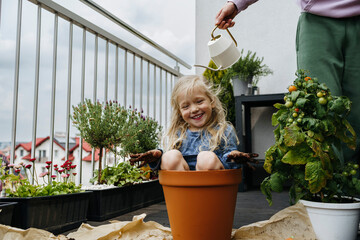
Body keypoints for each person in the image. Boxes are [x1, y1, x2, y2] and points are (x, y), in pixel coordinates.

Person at [215, 0, 360, 164]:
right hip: (318, 19)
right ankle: (330, 184)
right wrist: (237, 3)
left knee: (357, 112)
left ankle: (351, 181)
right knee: (321, 110)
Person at [130, 75, 258, 170]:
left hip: (214, 190)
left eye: (199, 101)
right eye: (186, 106)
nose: (194, 109)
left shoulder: (223, 130)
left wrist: (233, 155)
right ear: (180, 112)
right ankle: (184, 204)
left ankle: (204, 204)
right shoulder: (179, 133)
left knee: (206, 158)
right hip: (185, 190)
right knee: (170, 156)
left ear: (211, 101)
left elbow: (229, 160)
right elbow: (167, 159)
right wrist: (158, 155)